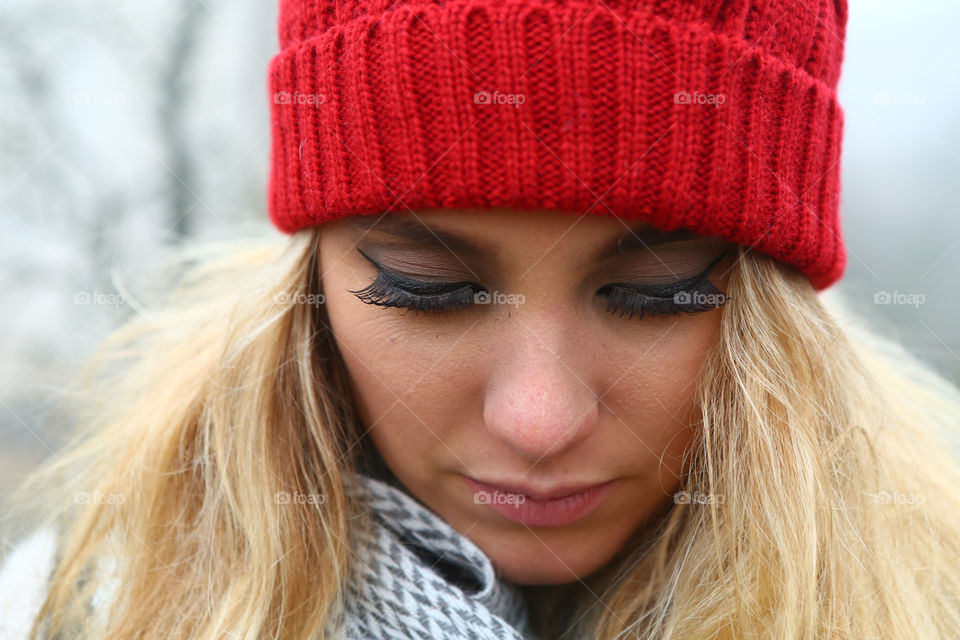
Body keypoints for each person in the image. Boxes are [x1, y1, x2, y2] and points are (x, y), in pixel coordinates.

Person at [4, 0, 960, 638]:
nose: (539, 421)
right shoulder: (81, 608)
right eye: (427, 289)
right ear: (313, 277)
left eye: (658, 291)